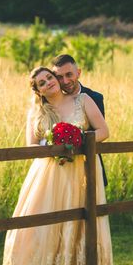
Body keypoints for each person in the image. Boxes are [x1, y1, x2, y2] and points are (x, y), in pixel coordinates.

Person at [0, 66, 113, 265]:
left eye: (49, 77)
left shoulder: (83, 100)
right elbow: (30, 147)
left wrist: (77, 139)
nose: (48, 82)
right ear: (38, 91)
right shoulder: (37, 113)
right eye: (42, 83)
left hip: (80, 171)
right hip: (48, 175)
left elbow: (103, 131)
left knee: (79, 223)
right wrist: (52, 147)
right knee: (36, 226)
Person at [51, 54, 108, 187]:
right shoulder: (53, 101)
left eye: (69, 74)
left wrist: (73, 139)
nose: (65, 81)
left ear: (78, 73)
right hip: (59, 169)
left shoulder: (94, 97)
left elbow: (100, 134)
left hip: (87, 164)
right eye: (59, 77)